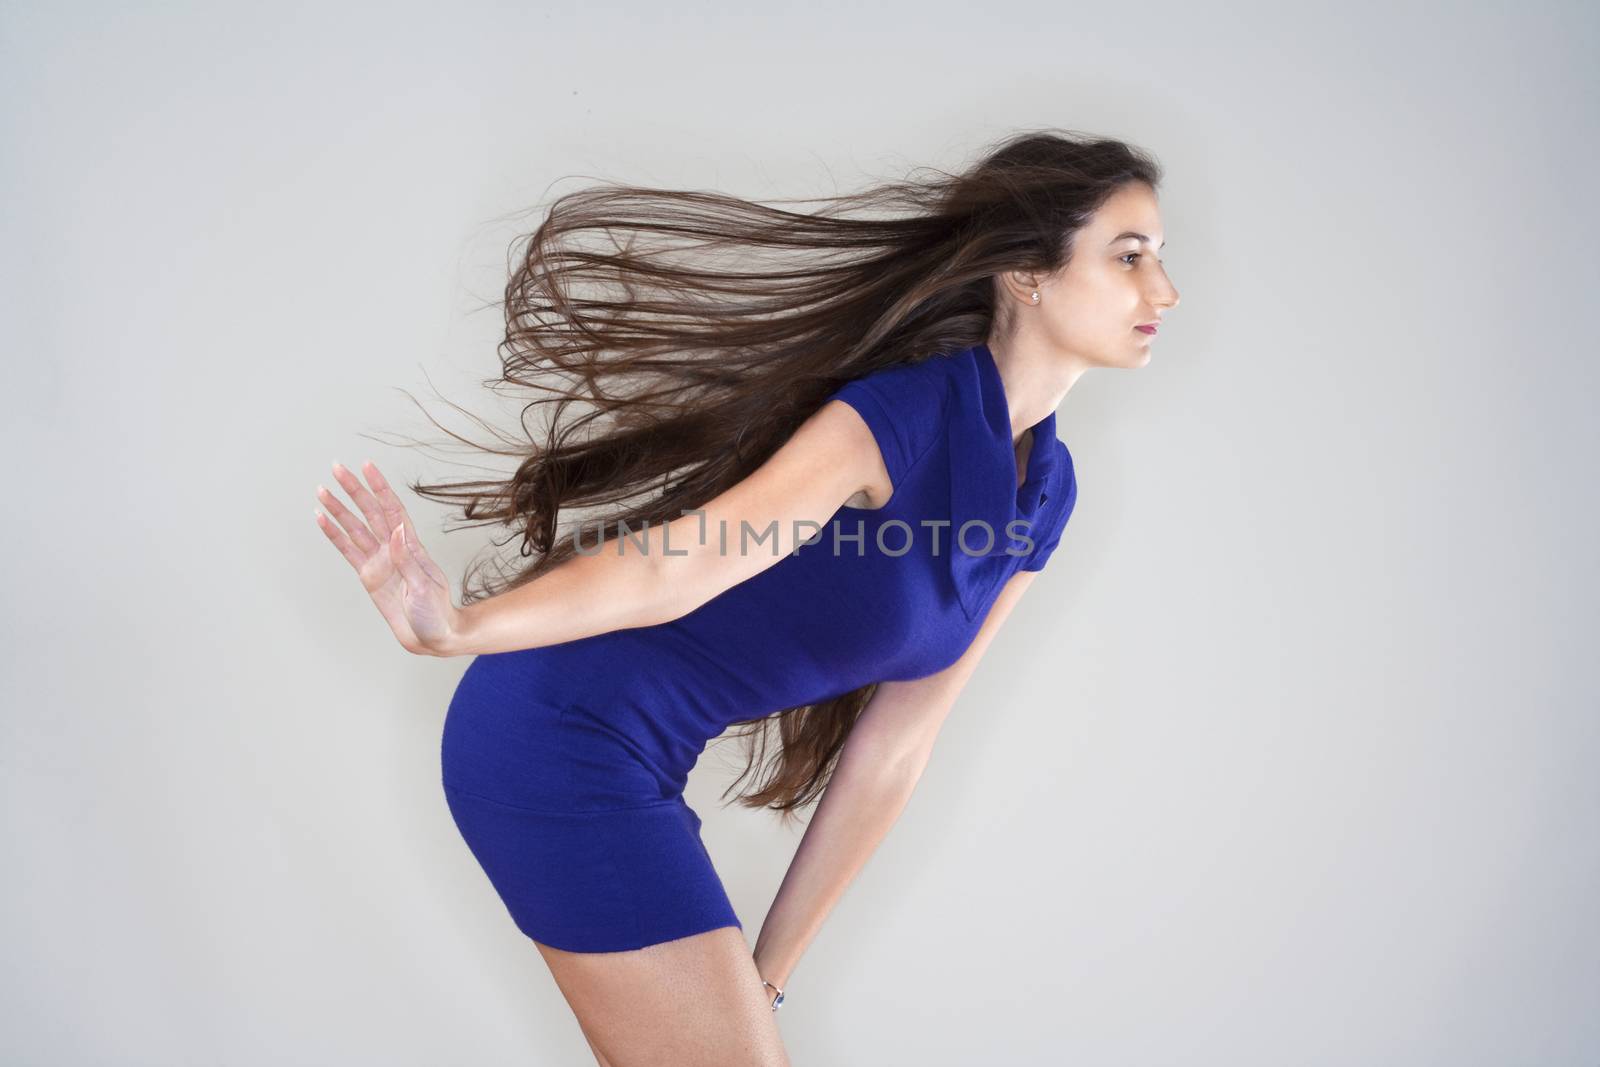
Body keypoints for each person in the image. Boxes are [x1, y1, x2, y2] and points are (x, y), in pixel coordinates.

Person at [312, 129, 1179, 1066]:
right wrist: (459, 628)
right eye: (1129, 257)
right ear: (1027, 273)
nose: (1162, 292)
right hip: (555, 735)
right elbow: (678, 562)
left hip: (635, 761)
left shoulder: (1044, 491)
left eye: (1160, 262)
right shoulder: (902, 416)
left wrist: (763, 978)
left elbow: (896, 748)